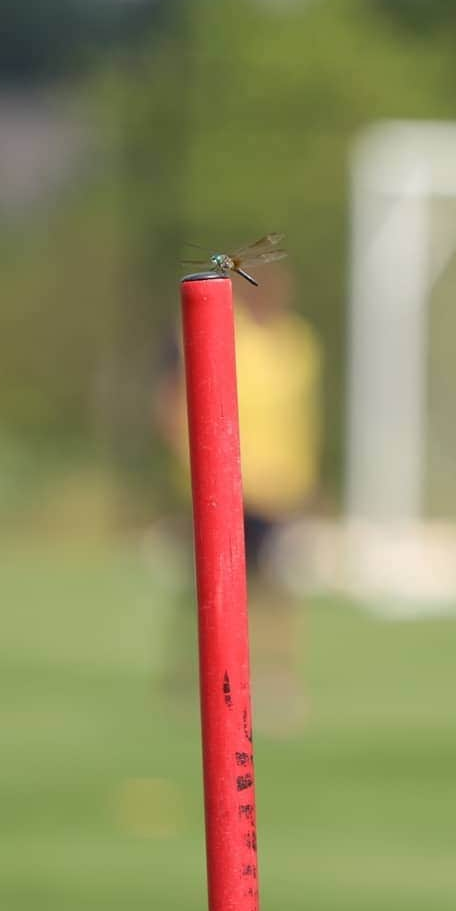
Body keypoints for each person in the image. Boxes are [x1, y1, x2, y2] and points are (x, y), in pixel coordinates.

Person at [157, 262, 322, 728]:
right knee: (207, 587)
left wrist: (307, 481)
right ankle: (196, 678)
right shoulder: (227, 332)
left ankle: (275, 681)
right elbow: (175, 400)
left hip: (280, 485)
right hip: (223, 485)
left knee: (277, 588)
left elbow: (302, 416)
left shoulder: (299, 342)